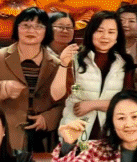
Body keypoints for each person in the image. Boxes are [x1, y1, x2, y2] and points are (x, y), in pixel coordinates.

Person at [0, 7, 65, 152]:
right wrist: (2, 89)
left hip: (43, 141)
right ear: (17, 28)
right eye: (26, 25)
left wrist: (48, 119)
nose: (31, 31)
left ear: (47, 31)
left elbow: (67, 103)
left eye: (38, 26)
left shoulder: (57, 65)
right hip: (2, 138)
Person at [51, 11, 132, 141]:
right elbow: (56, 95)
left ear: (117, 36)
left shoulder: (124, 63)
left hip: (111, 133)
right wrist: (63, 64)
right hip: (75, 132)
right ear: (91, 33)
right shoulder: (75, 59)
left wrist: (93, 104)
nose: (105, 36)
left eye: (111, 32)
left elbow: (128, 102)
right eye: (100, 31)